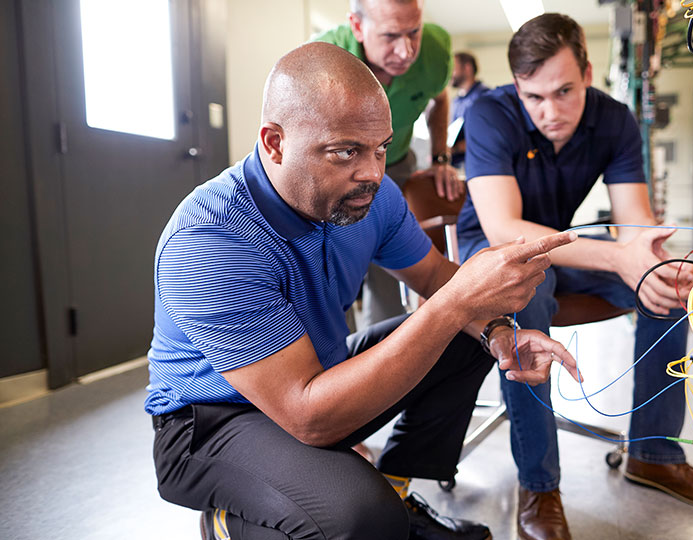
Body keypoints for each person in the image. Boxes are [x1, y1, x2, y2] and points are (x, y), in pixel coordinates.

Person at [146, 41, 580, 540]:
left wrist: (499, 329)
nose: (372, 172)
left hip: (315, 375)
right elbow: (309, 418)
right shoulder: (212, 240)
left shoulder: (369, 195)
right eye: (345, 151)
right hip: (212, 422)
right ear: (274, 143)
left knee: (465, 337)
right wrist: (460, 301)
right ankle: (234, 523)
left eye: (379, 149)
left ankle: (395, 494)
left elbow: (437, 276)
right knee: (358, 516)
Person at [457, 13, 693, 540]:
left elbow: (635, 223)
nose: (550, 112)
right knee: (528, 287)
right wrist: (617, 257)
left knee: (662, 286)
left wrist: (648, 257)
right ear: (518, 88)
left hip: (560, 251)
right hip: (496, 255)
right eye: (535, 98)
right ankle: (540, 486)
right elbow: (504, 230)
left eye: (564, 91)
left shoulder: (615, 120)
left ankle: (653, 454)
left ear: (588, 73)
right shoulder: (488, 113)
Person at [315, 0, 464, 328]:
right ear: (357, 26)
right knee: (333, 264)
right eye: (390, 36)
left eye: (414, 32)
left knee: (392, 260)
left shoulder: (436, 49)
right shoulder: (323, 59)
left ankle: (382, 350)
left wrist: (440, 157)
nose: (406, 51)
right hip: (334, 171)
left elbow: (440, 99)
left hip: (395, 163)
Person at [449, 52, 491, 168]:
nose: (449, 74)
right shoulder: (456, 101)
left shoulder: (484, 97)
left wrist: (454, 149)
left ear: (467, 68)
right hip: (457, 164)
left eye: (453, 68)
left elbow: (486, 136)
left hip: (479, 164)